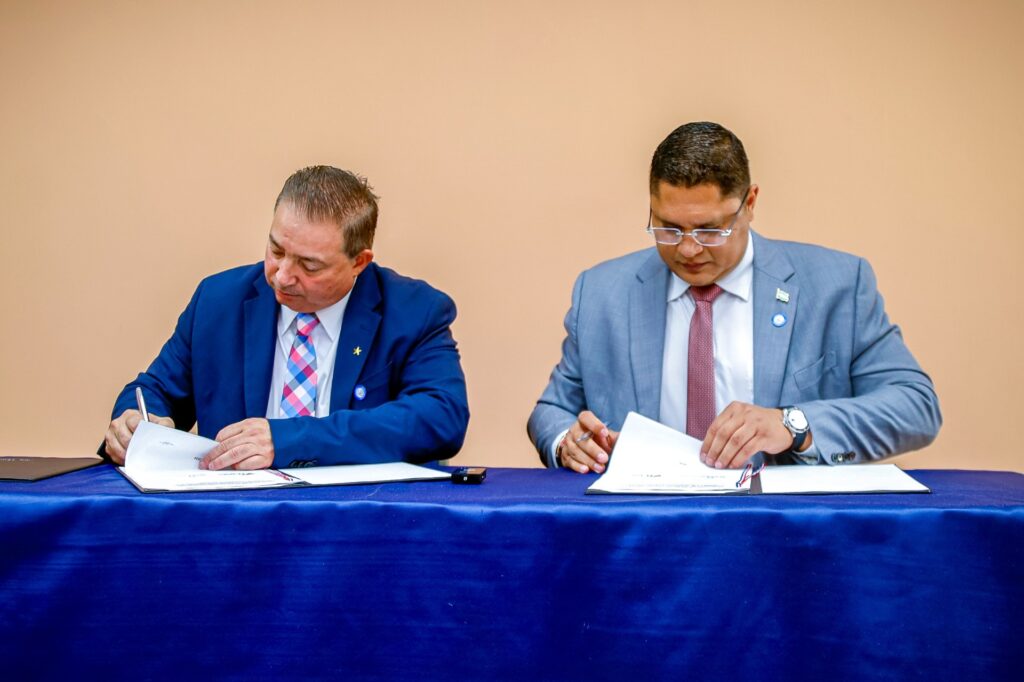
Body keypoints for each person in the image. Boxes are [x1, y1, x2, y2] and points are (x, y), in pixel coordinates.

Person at [528, 122, 941, 473]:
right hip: (644, 533)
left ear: (750, 204)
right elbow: (551, 411)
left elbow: (914, 407)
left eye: (709, 230)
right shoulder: (601, 293)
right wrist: (568, 440)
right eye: (668, 228)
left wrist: (794, 424)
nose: (688, 249)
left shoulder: (837, 286)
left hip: (780, 534)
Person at [103, 166, 469, 470]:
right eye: (276, 250)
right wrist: (136, 423)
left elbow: (441, 416)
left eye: (309, 265)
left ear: (359, 262)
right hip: (233, 516)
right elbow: (155, 391)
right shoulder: (218, 301)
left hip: (360, 520)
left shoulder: (415, 310)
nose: (282, 276)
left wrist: (291, 438)